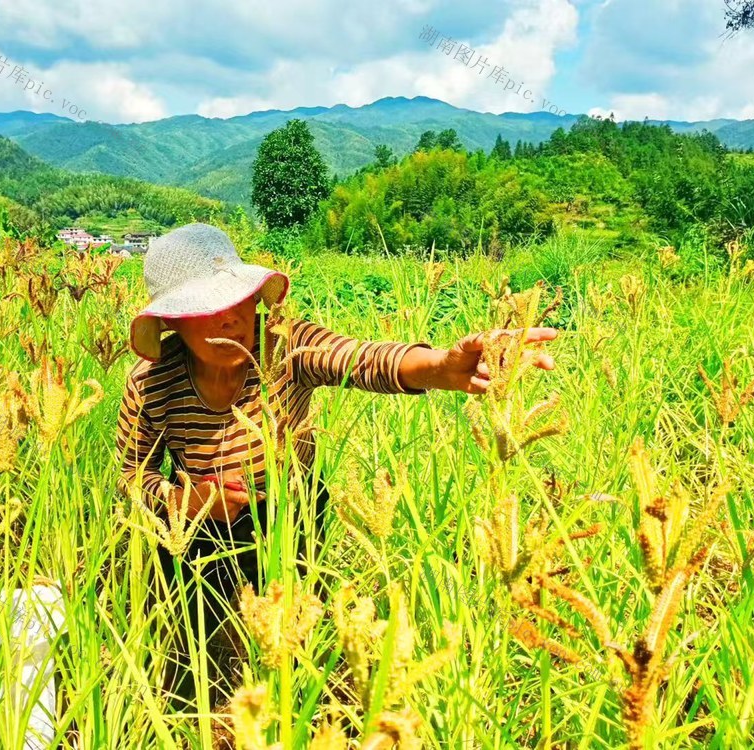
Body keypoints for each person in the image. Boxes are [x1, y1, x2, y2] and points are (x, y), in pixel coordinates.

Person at [114, 222, 557, 710]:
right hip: (196, 530)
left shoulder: (286, 345)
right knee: (206, 641)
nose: (229, 319)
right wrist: (187, 500)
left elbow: (361, 358)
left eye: (237, 299)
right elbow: (132, 476)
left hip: (292, 514)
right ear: (172, 323)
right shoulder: (152, 383)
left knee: (293, 631)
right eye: (206, 308)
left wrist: (439, 368)